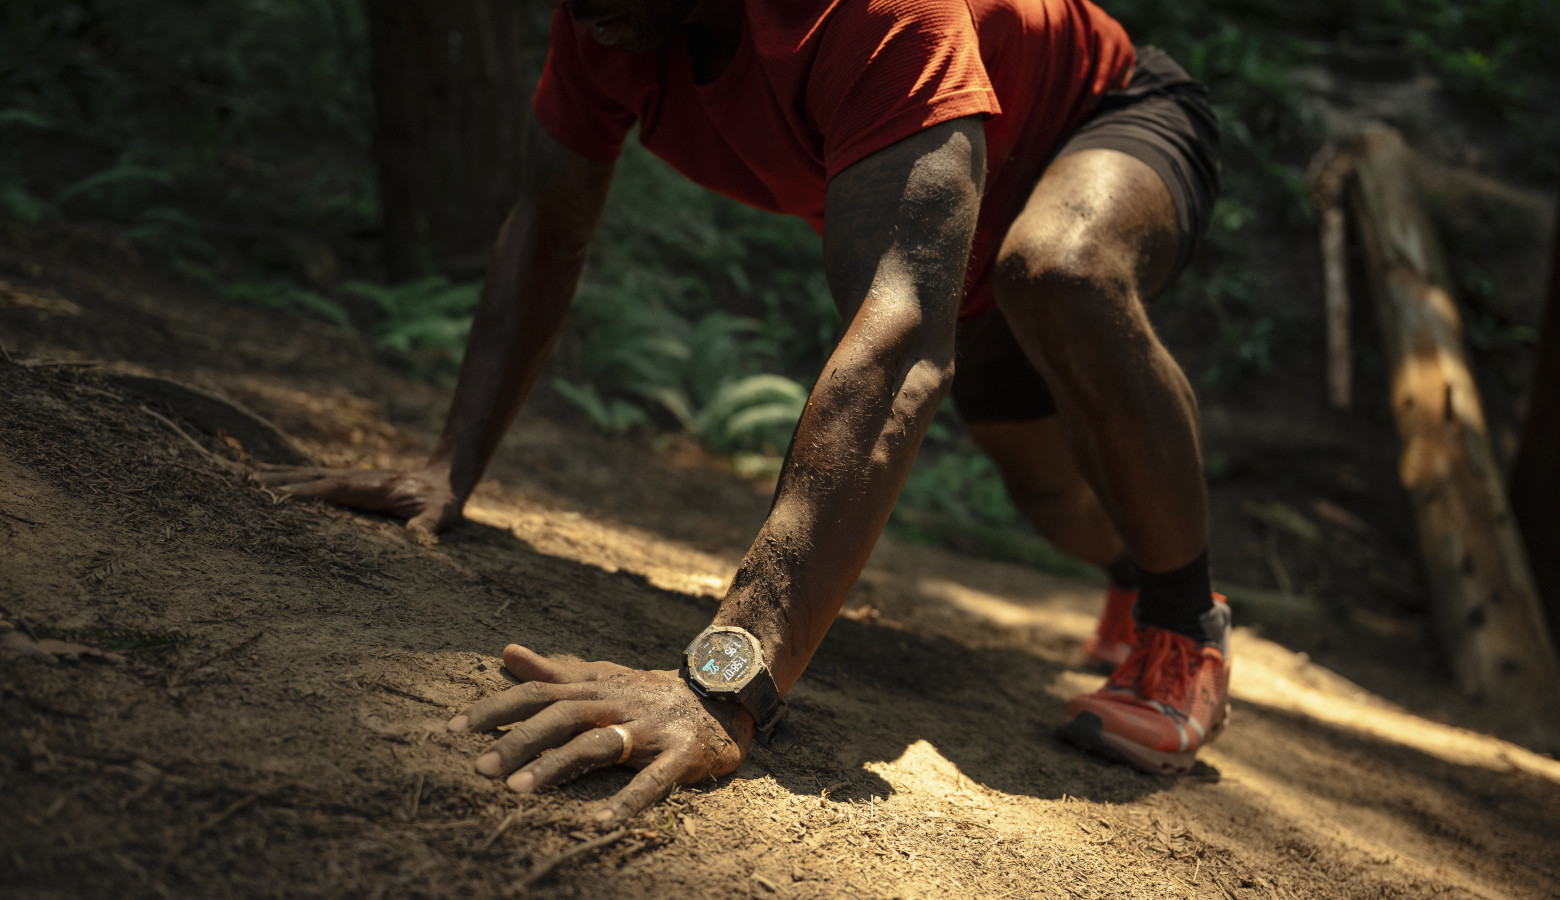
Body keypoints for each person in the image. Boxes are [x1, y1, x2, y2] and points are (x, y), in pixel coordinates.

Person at [260, 0, 1230, 822]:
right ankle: (1129, 574)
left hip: (1101, 121)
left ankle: (1185, 631)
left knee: (1059, 269)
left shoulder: (878, 14)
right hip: (958, 222)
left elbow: (898, 339)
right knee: (1053, 496)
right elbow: (549, 219)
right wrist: (449, 466)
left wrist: (728, 681)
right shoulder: (608, 19)